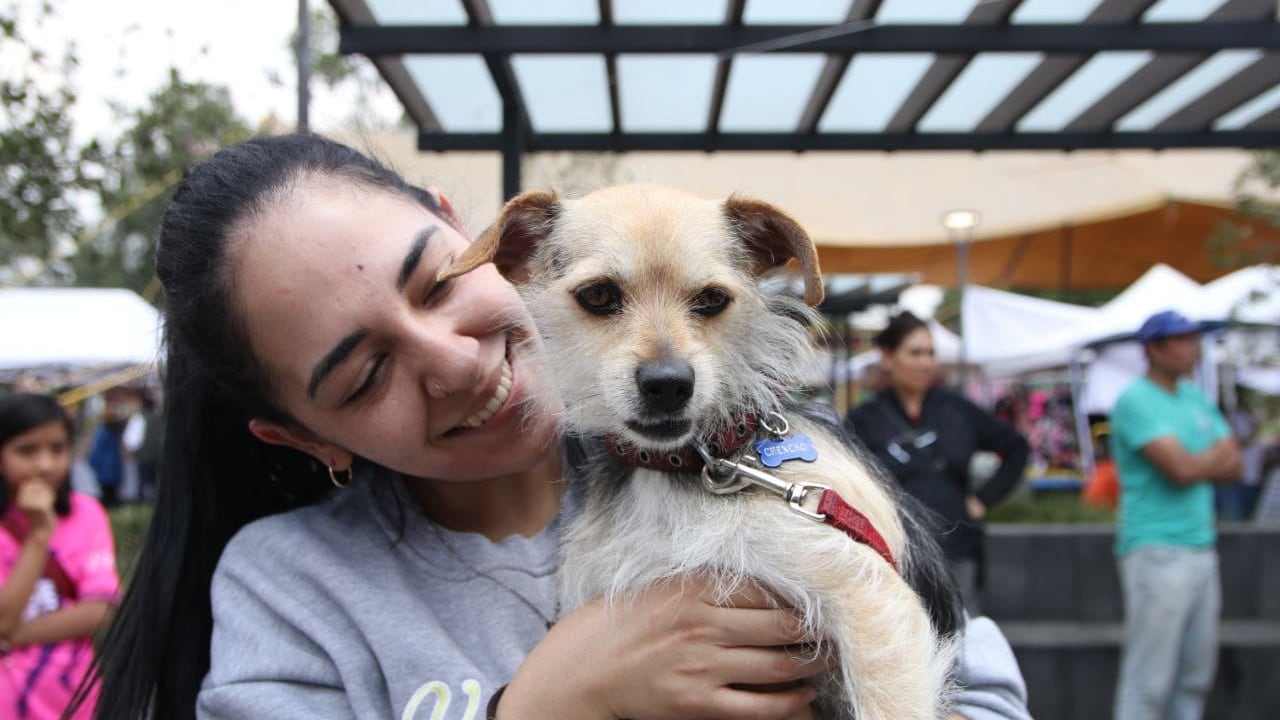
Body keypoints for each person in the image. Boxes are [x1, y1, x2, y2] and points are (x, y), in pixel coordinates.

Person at [91, 134, 1032, 720]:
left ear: (489, 245)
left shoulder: (745, 457)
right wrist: (538, 706)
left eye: (437, 283)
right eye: (368, 372)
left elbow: (962, 666)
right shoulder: (287, 592)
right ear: (305, 439)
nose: (456, 360)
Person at [846, 312, 1030, 614]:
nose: (925, 362)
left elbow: (1016, 448)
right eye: (915, 352)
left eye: (930, 353)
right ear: (888, 357)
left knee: (962, 640)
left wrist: (984, 499)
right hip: (895, 555)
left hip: (957, 549)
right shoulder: (865, 419)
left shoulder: (955, 409)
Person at [1109, 310, 1242, 720]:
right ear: (1154, 349)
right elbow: (1182, 469)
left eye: (1194, 338)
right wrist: (1211, 459)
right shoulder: (1134, 399)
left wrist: (1199, 462)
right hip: (1156, 549)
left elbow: (1236, 465)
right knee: (1149, 681)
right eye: (1182, 339)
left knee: (1195, 678)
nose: (1194, 347)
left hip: (1201, 546)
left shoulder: (1194, 397)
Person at [0, 393, 119, 720]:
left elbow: (100, 610)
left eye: (58, 449)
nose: (45, 464)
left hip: (72, 698)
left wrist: (14, 637)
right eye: (27, 450)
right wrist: (39, 535)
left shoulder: (86, 513)